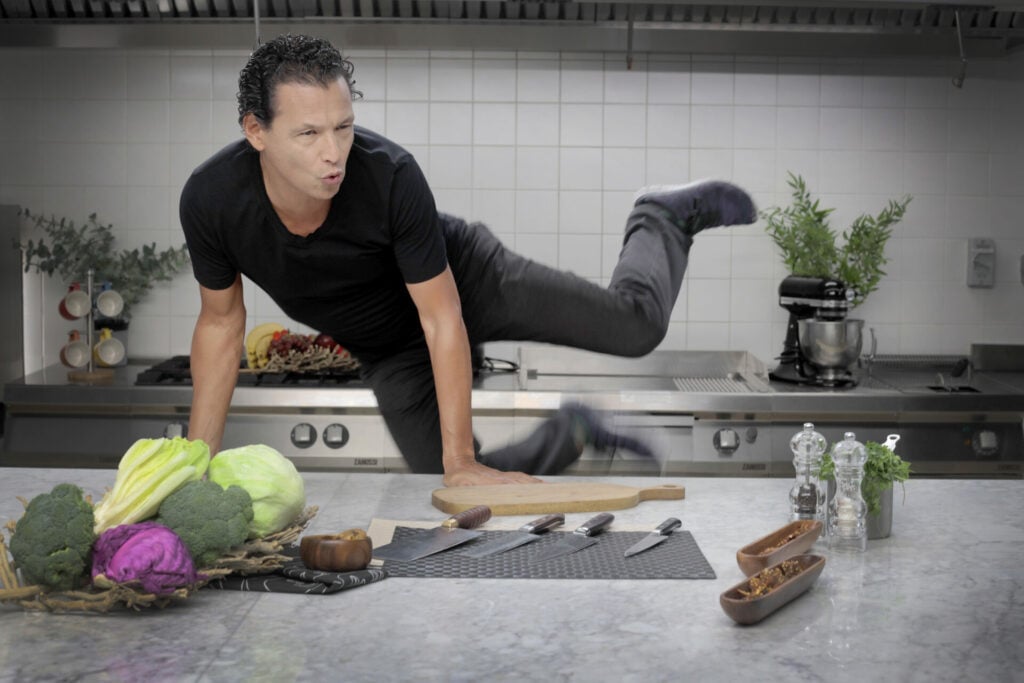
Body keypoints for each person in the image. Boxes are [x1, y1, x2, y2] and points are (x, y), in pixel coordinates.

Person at [180, 34, 757, 487]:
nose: (333, 153)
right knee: (452, 489)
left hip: (469, 284)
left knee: (637, 328)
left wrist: (459, 456)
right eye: (308, 133)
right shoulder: (212, 200)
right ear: (256, 131)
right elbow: (222, 324)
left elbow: (441, 317)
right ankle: (571, 433)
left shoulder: (389, 175)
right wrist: (193, 467)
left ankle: (659, 216)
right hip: (389, 349)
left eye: (344, 127)